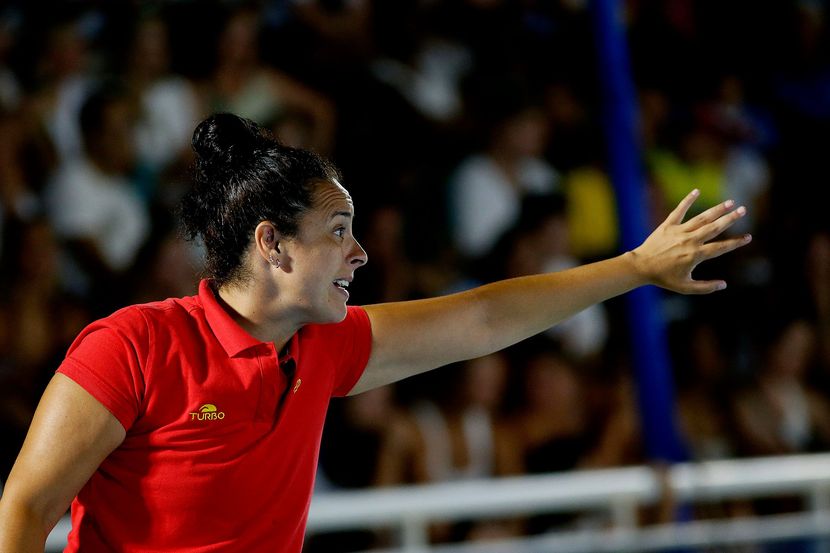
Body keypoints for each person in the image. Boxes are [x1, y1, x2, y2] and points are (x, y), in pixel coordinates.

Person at [0, 113, 751, 552]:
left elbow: (484, 315)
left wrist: (633, 266)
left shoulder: (324, 346)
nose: (359, 253)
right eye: (338, 230)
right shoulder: (134, 345)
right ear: (273, 243)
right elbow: (28, 506)